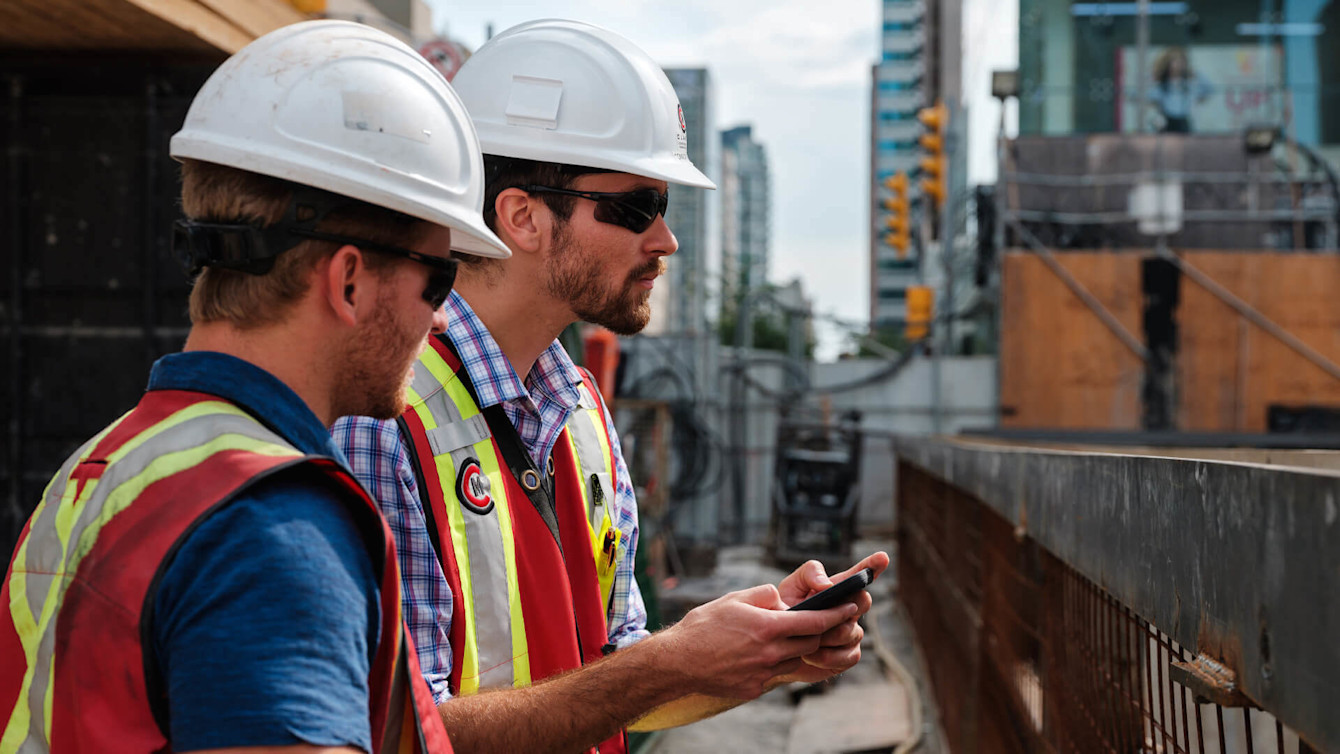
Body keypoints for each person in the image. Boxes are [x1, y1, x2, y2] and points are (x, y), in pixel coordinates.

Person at [333, 19, 890, 754]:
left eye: (664, 207)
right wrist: (667, 662)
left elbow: (611, 682)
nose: (665, 240)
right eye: (633, 209)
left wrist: (755, 653)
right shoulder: (383, 419)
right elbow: (399, 731)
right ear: (523, 217)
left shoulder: (580, 408)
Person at [0, 20, 512, 753]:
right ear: (349, 280)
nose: (441, 319)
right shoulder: (275, 533)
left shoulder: (106, 464)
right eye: (438, 280)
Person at [1148, 46, 1211, 133]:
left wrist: (1195, 73)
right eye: (1175, 61)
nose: (1179, 65)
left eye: (1181, 61)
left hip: (1184, 121)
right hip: (1167, 122)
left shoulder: (1189, 84)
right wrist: (1152, 77)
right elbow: (1148, 96)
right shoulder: (1162, 85)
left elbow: (1209, 89)